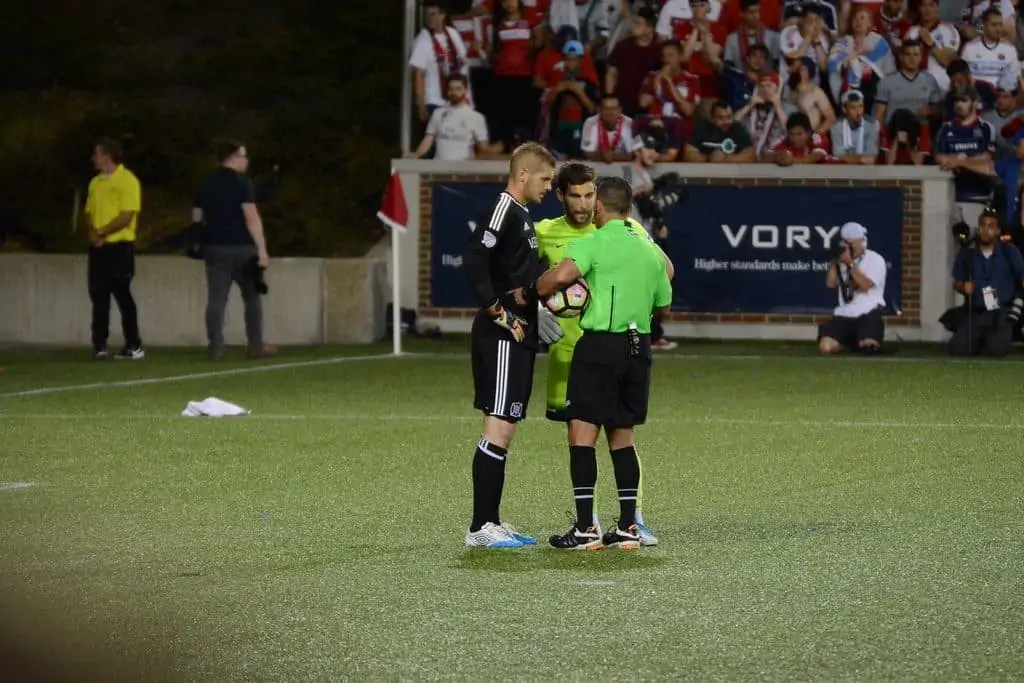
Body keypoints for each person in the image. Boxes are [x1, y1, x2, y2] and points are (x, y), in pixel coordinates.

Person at [530, 177, 673, 550]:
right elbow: (665, 300)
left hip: (599, 347)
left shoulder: (591, 241)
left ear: (599, 208)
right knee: (623, 437)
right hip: (637, 346)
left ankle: (585, 529)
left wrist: (538, 290)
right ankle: (628, 526)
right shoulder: (647, 248)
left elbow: (560, 277)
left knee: (582, 435)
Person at [462, 142, 557, 549]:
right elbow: (473, 259)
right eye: (546, 179)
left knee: (506, 427)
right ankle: (480, 527)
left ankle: (493, 521)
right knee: (497, 427)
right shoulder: (503, 209)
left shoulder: (523, 216)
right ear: (524, 175)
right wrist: (498, 313)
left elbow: (520, 272)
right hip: (502, 336)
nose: (549, 187)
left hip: (519, 336)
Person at [192, 141, 275, 361]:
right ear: (231, 158)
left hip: (215, 248)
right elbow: (251, 218)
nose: (246, 160)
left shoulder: (206, 184)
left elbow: (197, 219)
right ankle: (255, 345)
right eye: (243, 156)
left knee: (217, 299)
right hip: (243, 249)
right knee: (252, 297)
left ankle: (216, 347)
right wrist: (262, 249)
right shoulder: (243, 184)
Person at [83, 137, 144, 360]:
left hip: (119, 247)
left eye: (96, 154)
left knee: (122, 295)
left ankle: (134, 344)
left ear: (107, 156)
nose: (93, 159)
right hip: (98, 248)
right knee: (98, 296)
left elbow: (126, 216)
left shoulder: (128, 181)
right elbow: (88, 212)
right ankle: (99, 345)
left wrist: (102, 232)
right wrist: (92, 233)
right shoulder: (95, 183)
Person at [949, 207, 1024, 356]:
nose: (986, 230)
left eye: (990, 226)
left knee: (997, 349)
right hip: (976, 311)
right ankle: (977, 341)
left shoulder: (1010, 252)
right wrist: (963, 286)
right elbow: (956, 282)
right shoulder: (967, 253)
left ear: (997, 231)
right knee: (959, 348)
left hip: (1001, 312)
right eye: (983, 225)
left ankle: (992, 341)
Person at [817, 222, 889, 354]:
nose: (850, 247)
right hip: (845, 314)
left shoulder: (875, 259)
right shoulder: (840, 261)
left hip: (868, 313)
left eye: (853, 243)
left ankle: (862, 341)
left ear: (862, 242)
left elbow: (865, 285)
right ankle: (849, 342)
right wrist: (835, 261)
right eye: (846, 243)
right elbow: (830, 284)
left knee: (868, 349)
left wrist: (850, 264)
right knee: (825, 348)